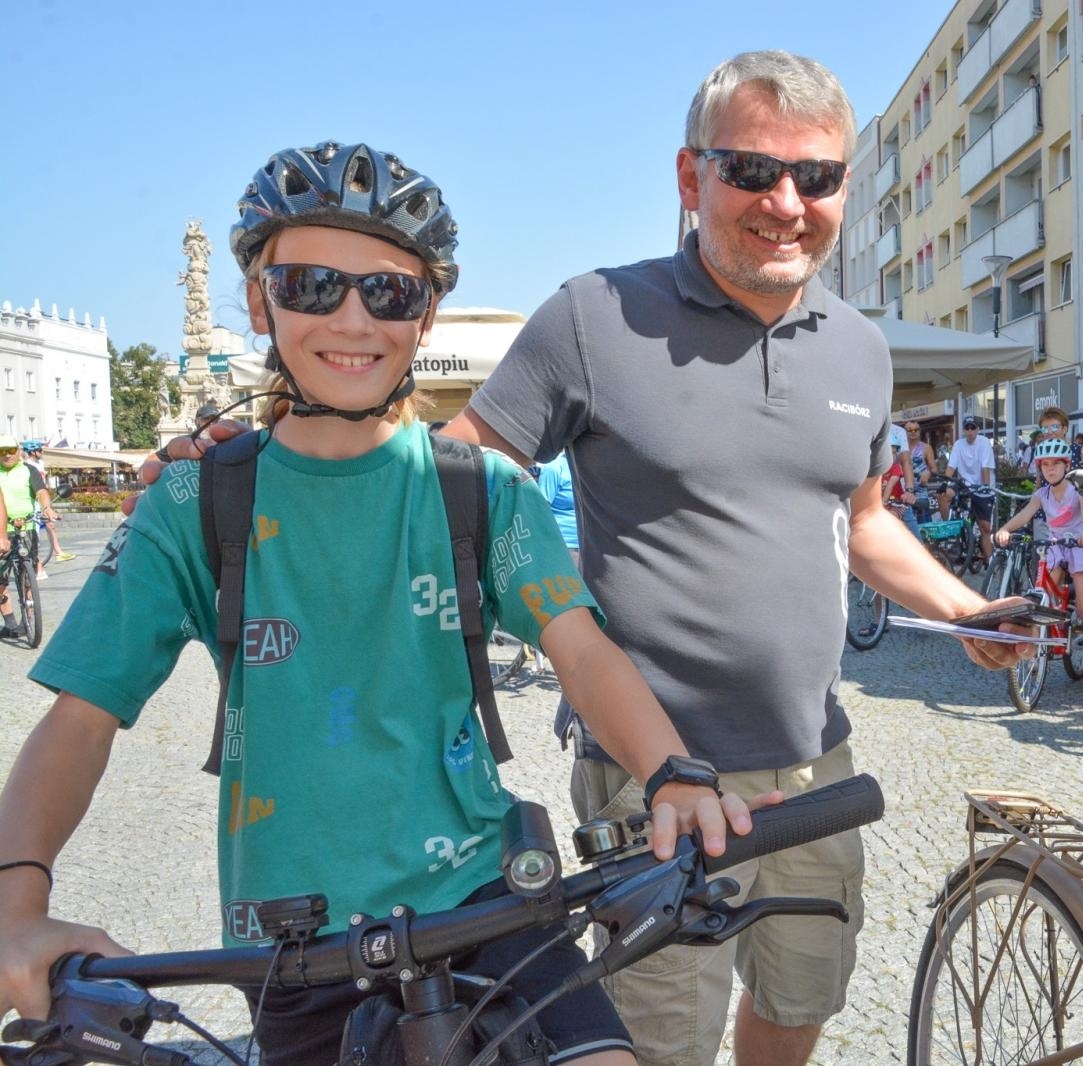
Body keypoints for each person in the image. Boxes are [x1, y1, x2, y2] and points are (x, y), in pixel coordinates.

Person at [0, 141, 774, 1066]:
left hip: (487, 904)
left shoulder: (483, 488)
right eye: (312, 286)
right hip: (294, 945)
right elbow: (82, 714)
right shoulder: (194, 501)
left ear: (426, 314)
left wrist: (672, 773)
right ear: (259, 301)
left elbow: (579, 647)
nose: (353, 319)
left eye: (391, 293)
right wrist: (15, 909)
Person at [434, 53, 1027, 1066]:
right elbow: (458, 475)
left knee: (801, 999)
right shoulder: (593, 317)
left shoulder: (860, 347)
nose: (785, 203)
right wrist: (281, 454)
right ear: (689, 176)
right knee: (662, 1041)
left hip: (815, 759)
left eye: (816, 177)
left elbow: (865, 520)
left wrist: (964, 608)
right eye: (752, 170)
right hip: (650, 775)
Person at [992, 437, 1083, 682]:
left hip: (1080, 546)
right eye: (1045, 465)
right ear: (1040, 468)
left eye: (1056, 464)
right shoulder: (1042, 494)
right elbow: (1025, 515)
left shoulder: (1079, 491)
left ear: (1066, 465)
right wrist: (1005, 529)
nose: (1050, 469)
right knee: (1043, 599)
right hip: (1055, 546)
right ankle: (1037, 647)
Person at [0, 435, 51, 636]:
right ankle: (10, 622)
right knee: (1, 580)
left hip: (26, 527)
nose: (7, 455)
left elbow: (41, 491)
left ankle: (27, 619)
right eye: (2, 451)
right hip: (2, 530)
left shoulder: (28, 470)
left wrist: (46, 508)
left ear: (19, 451)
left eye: (10, 450)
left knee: (26, 574)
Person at [946, 415, 996, 563]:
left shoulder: (984, 442)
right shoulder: (958, 444)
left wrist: (985, 486)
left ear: (978, 429)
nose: (970, 431)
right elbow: (951, 467)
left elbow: (985, 467)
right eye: (967, 428)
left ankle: (990, 562)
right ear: (963, 430)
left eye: (972, 428)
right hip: (965, 485)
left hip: (982, 487)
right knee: (944, 494)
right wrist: (945, 482)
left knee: (985, 528)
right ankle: (949, 532)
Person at [20, 441, 73, 571]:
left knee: (50, 525)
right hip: (32, 501)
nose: (42, 452)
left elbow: (43, 483)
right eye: (39, 450)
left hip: (41, 499)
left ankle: (57, 552)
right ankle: (37, 563)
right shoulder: (27, 466)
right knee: (33, 532)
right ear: (32, 452)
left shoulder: (40, 464)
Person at [536, 449, 581, 560]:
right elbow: (540, 508)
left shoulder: (589, 470)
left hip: (588, 546)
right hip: (562, 546)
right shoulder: (554, 468)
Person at [903, 419, 939, 521]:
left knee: (924, 524)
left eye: (916, 429)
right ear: (905, 432)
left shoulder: (926, 447)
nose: (913, 432)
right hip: (903, 491)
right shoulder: (901, 447)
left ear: (920, 431)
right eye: (910, 430)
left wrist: (928, 473)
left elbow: (934, 469)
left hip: (921, 492)